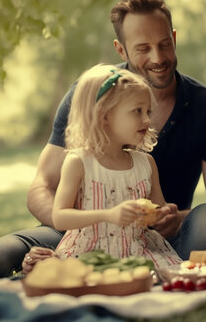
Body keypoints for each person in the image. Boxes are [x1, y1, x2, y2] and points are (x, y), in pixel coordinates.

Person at [0, 0, 206, 277]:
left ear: (174, 38)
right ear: (120, 50)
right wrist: (85, 230)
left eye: (164, 44)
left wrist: (173, 218)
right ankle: (87, 268)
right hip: (78, 233)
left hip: (151, 238)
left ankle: (166, 272)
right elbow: (41, 188)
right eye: (143, 48)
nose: (158, 58)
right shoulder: (90, 94)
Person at [21, 65, 182, 273]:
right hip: (88, 254)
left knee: (165, 280)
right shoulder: (78, 162)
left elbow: (158, 209)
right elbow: (60, 217)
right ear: (104, 116)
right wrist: (109, 215)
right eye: (137, 111)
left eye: (148, 111)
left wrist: (165, 213)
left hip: (137, 252)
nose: (147, 120)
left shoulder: (146, 163)